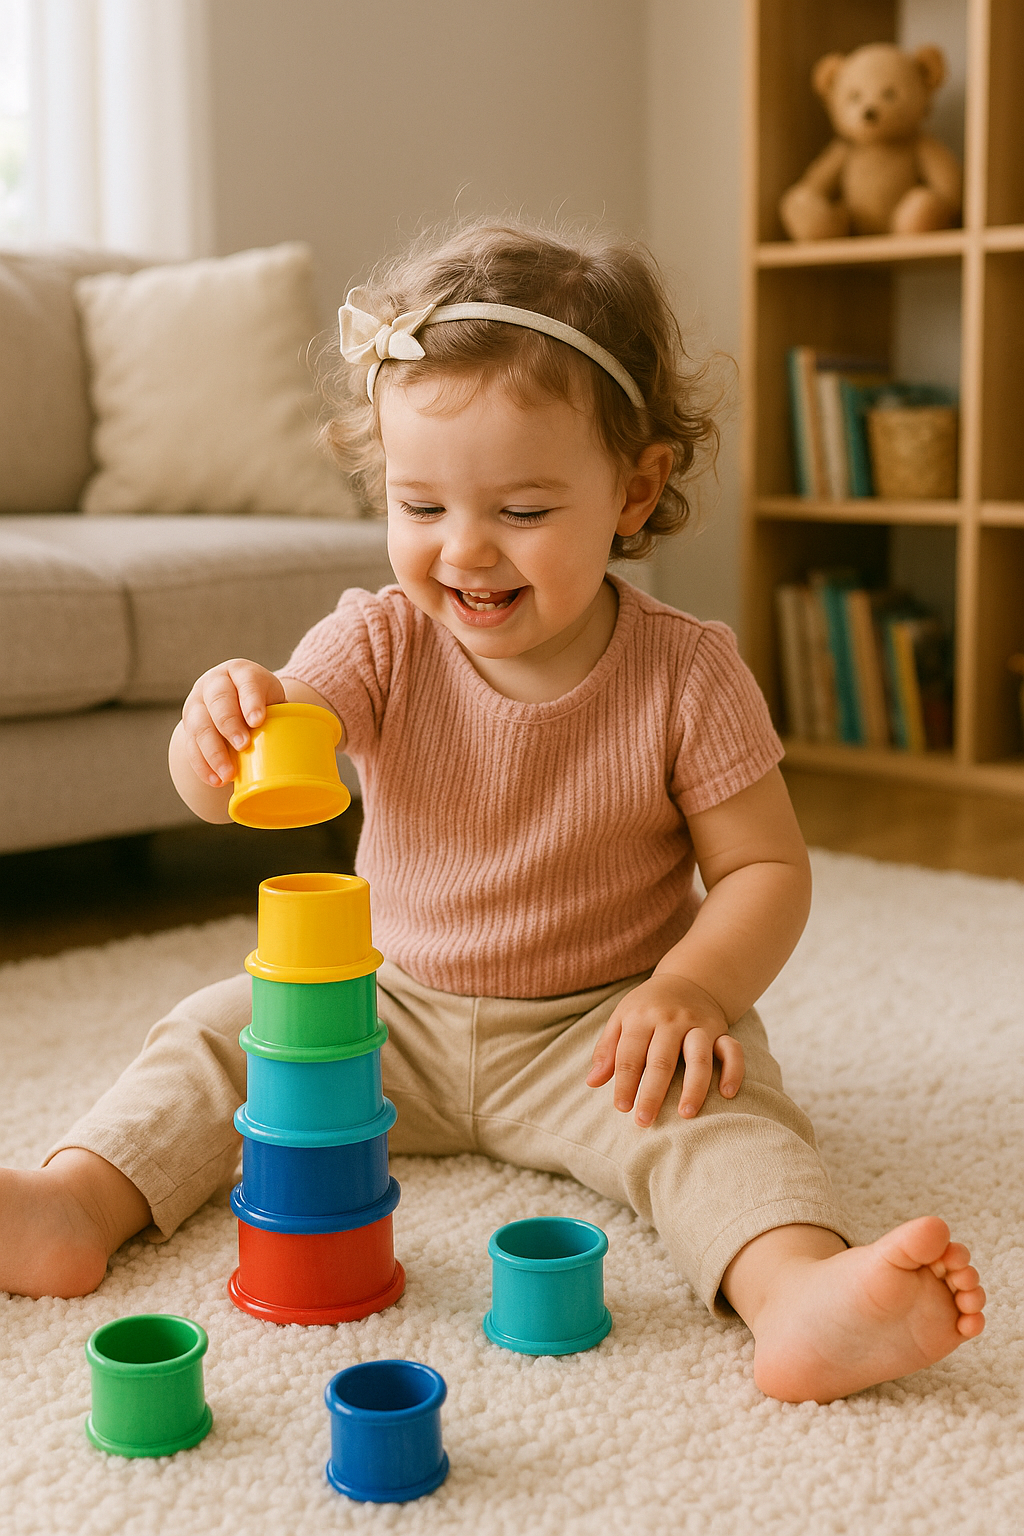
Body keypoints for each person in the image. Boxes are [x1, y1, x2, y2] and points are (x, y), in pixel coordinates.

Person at [0, 221, 985, 1403]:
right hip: (387, 1015)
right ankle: (74, 1202)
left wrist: (695, 991)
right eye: (419, 507)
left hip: (604, 1025)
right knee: (214, 1038)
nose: (463, 552)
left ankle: (798, 1298)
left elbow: (766, 868)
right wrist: (211, 732)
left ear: (634, 490)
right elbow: (243, 777)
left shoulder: (687, 672)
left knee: (720, 1115)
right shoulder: (377, 637)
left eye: (520, 510)